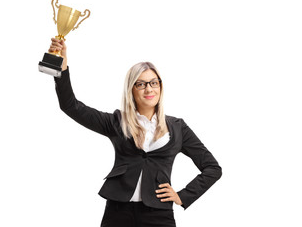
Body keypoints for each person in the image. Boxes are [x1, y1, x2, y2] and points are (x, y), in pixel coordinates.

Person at [49, 38, 222, 227]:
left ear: (160, 87)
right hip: (118, 212)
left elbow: (213, 168)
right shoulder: (116, 122)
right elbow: (70, 106)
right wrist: (61, 65)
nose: (149, 89)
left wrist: (182, 196)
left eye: (154, 83)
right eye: (141, 84)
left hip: (158, 215)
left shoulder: (178, 127)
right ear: (131, 90)